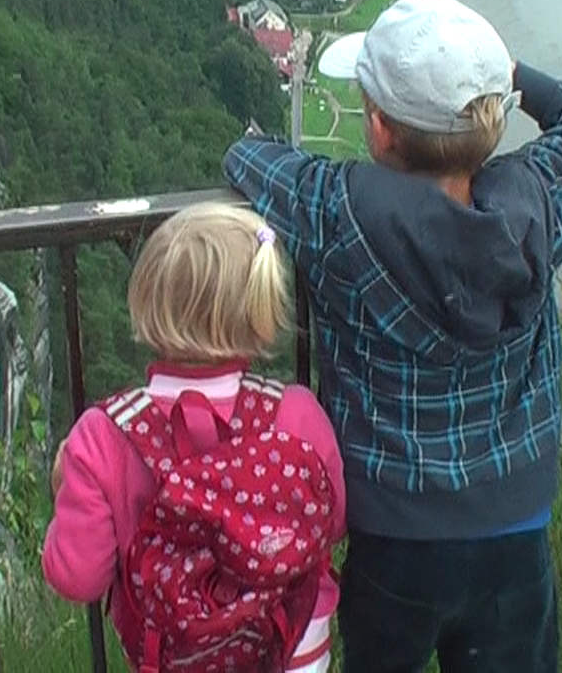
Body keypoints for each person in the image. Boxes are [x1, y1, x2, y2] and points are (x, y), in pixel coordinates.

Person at [224, 0, 562, 673]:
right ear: (491, 114)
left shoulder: (336, 208)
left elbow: (248, 161)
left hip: (393, 534)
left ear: (378, 129)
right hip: (514, 527)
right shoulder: (537, 198)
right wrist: (505, 73)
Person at [42, 202, 344, 672]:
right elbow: (333, 522)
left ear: (146, 303)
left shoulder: (102, 435)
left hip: (175, 657)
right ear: (261, 312)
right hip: (290, 644)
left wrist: (66, 488)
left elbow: (76, 577)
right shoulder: (297, 413)